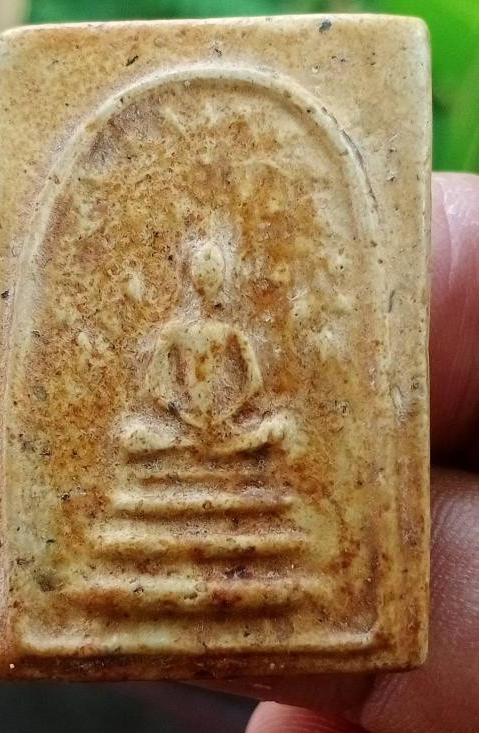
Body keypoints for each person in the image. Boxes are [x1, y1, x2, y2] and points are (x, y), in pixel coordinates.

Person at [210, 173, 479, 733]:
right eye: (202, 274)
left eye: (217, 272)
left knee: (280, 430)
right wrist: (195, 421)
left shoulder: (237, 334)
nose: (209, 281)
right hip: (187, 435)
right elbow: (165, 391)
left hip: (235, 430)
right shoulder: (179, 336)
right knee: (142, 437)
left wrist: (228, 420)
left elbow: (251, 386)